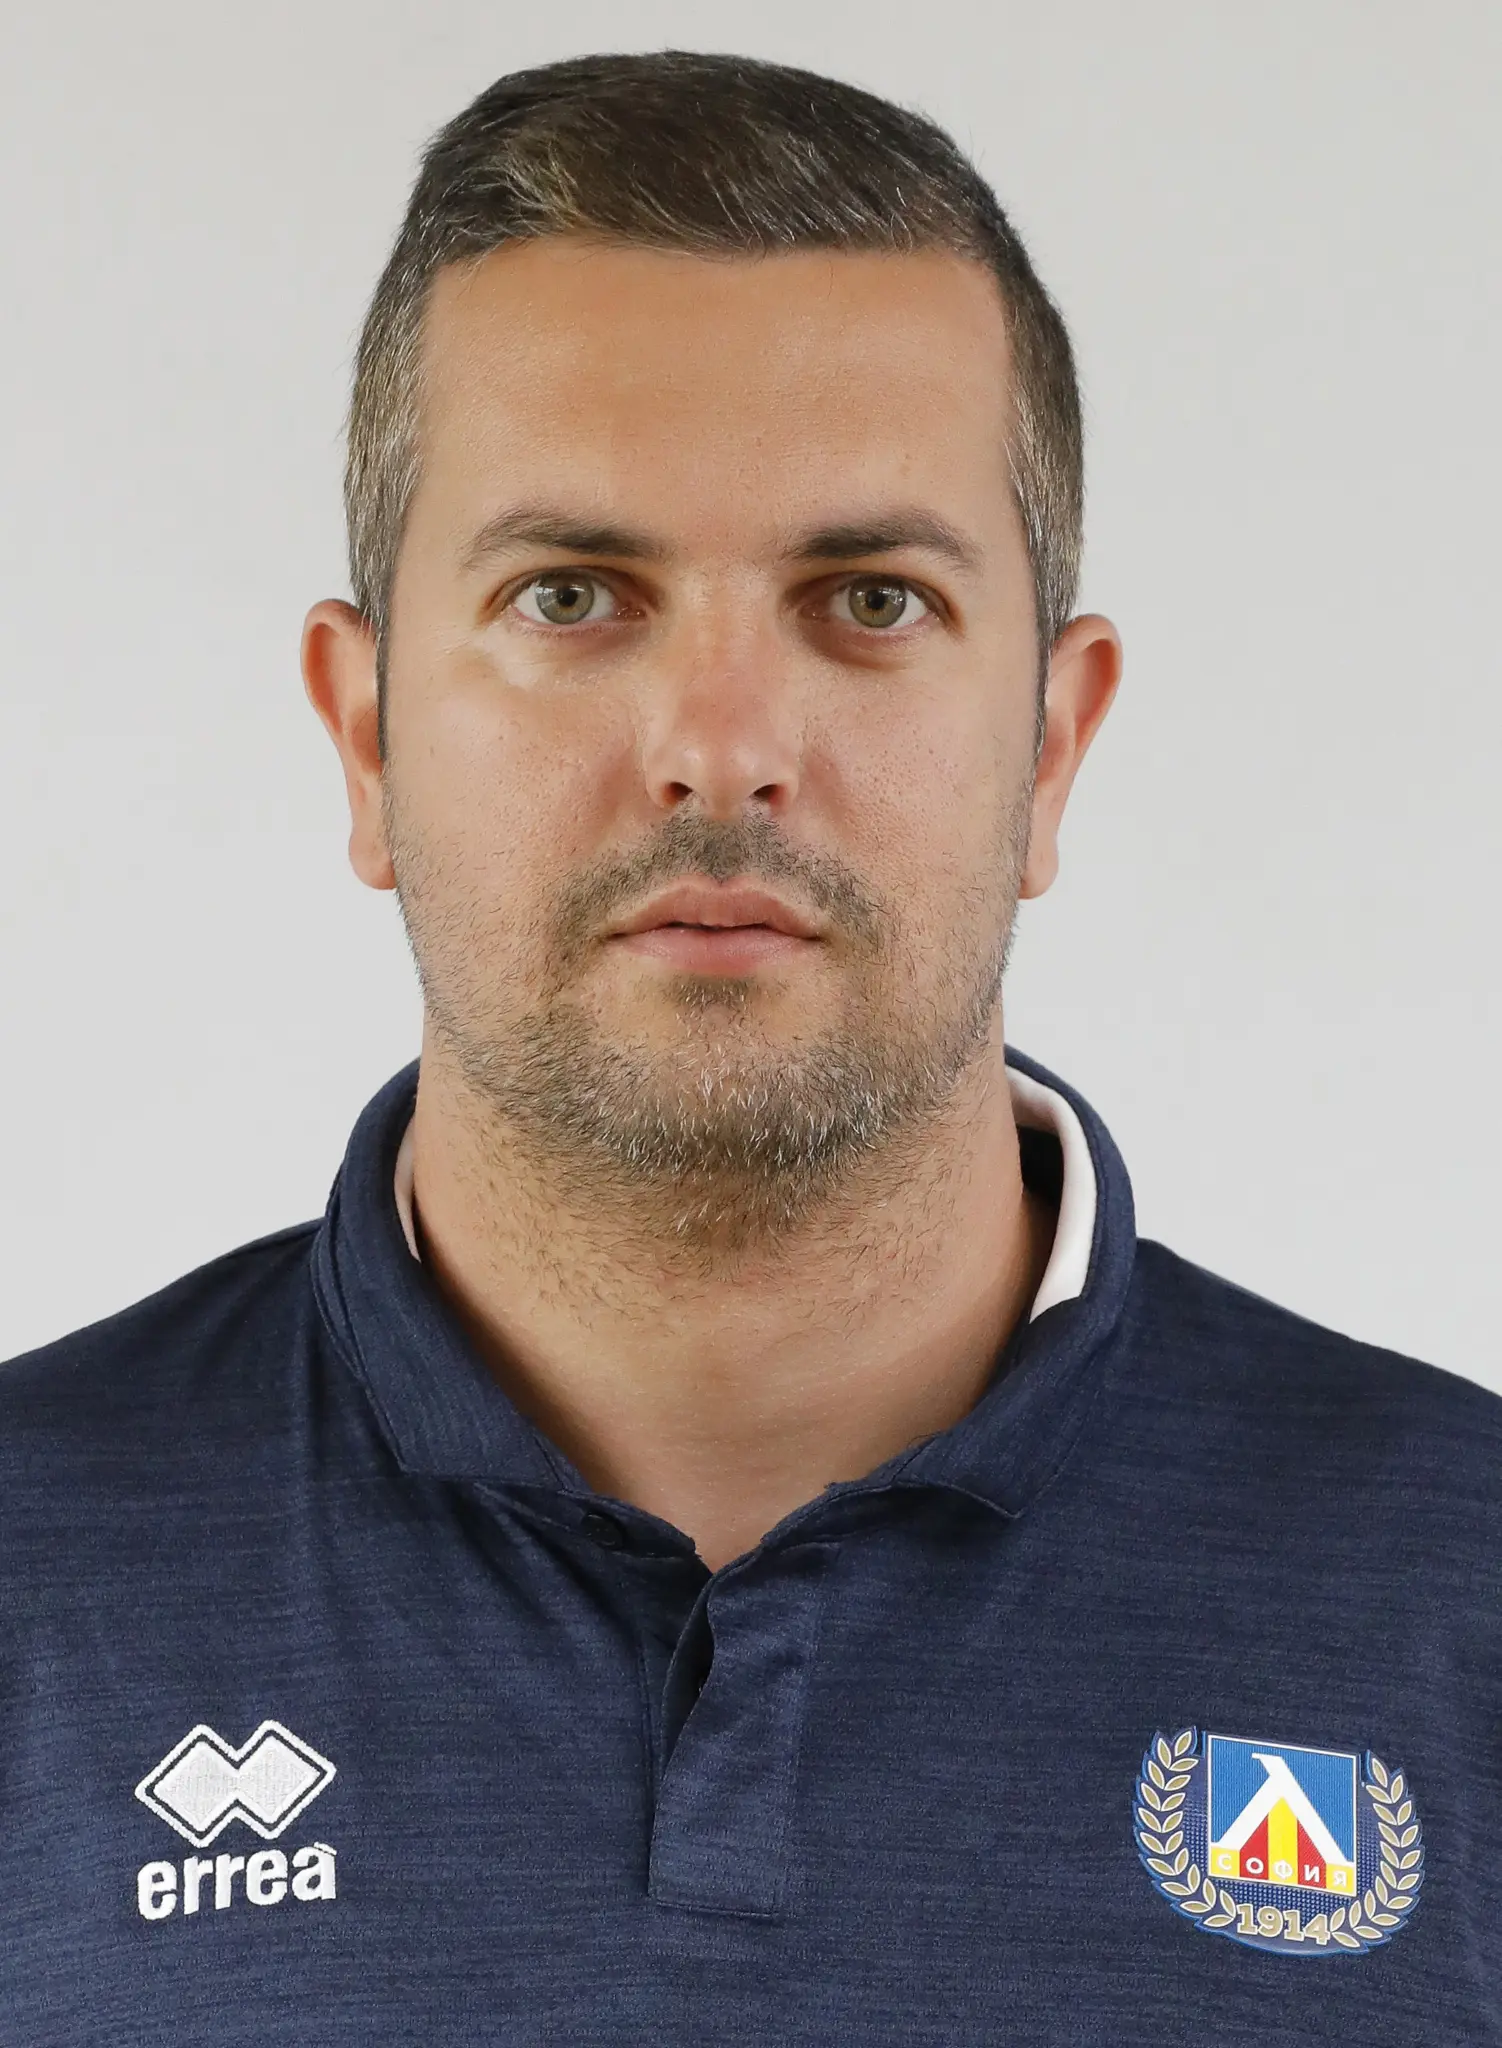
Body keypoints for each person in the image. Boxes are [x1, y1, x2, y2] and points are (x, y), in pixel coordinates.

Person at [1, 49, 1495, 2045]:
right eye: (571, 594)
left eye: (867, 597)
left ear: (1050, 748)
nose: (720, 746)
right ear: (364, 736)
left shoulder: (1460, 1589)